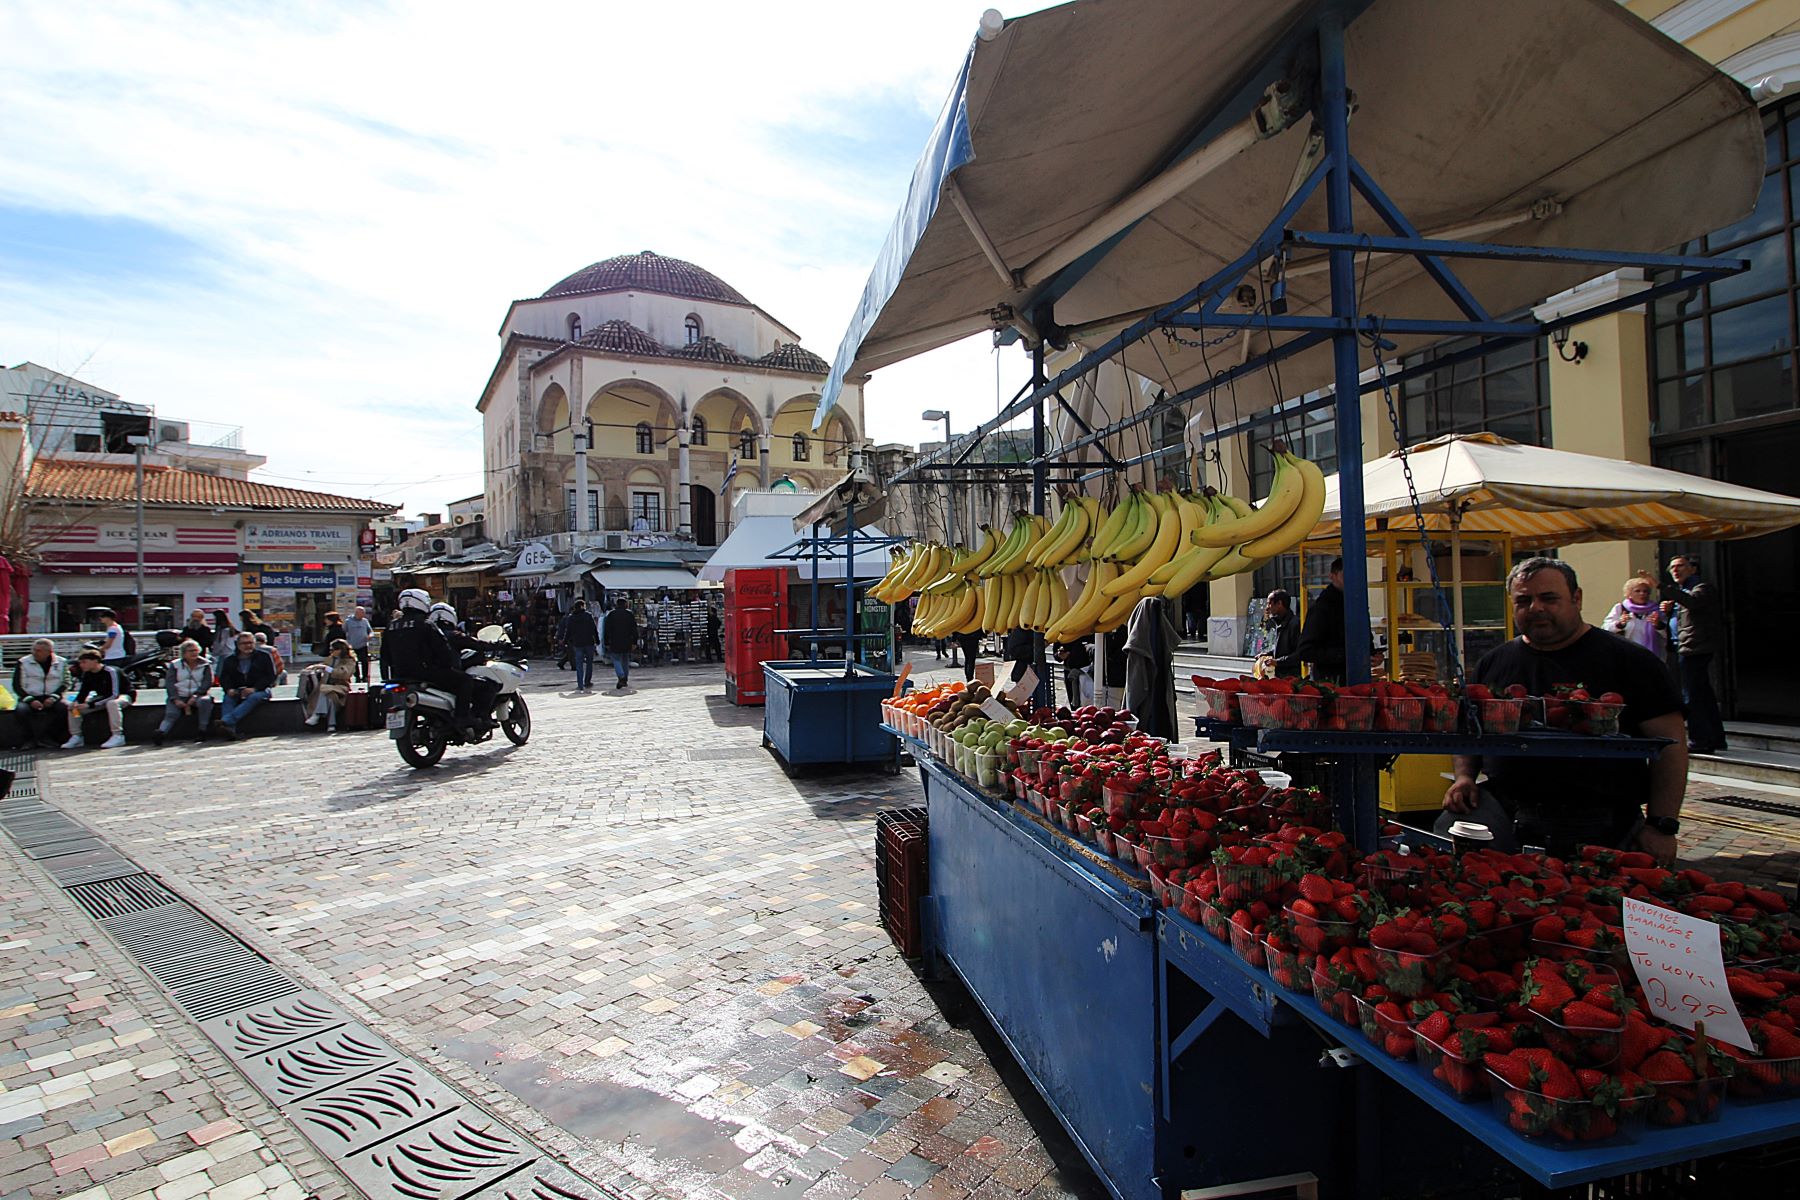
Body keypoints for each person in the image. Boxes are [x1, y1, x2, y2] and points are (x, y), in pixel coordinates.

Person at [1439, 557, 1688, 865]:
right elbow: (1470, 730)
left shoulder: (1631, 661)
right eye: (1524, 600)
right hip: (1507, 816)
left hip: (1602, 824)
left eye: (1549, 598)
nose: (1536, 608)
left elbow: (1673, 747)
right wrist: (1464, 777)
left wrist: (1662, 825)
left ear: (1577, 598)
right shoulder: (1494, 662)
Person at [382, 589, 480, 734]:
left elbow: (385, 656)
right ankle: (462, 718)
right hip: (426, 672)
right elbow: (442, 649)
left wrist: (388, 676)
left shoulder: (391, 626)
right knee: (465, 681)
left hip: (400, 675)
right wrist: (447, 666)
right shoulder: (426, 624)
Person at [1662, 555, 1728, 755]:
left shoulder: (1701, 588)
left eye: (1680, 566)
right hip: (1682, 648)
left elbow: (1693, 603)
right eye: (1672, 567)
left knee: (1693, 696)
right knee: (1704, 694)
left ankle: (1699, 739)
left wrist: (1661, 587)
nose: (1675, 570)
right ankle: (1715, 738)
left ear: (1693, 569)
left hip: (1696, 648)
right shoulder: (1680, 593)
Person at [63, 650, 133, 749]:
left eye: (84, 662)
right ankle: (76, 736)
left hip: (122, 696)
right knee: (73, 708)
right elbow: (83, 692)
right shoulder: (87, 674)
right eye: (80, 663)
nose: (81, 665)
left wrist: (90, 704)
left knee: (112, 703)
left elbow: (114, 694)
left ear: (95, 661)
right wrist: (77, 702)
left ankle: (118, 735)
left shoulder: (111, 671)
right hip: (101, 698)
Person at [1294, 559, 1347, 683]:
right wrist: (1343, 654)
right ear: (1332, 576)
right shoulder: (1323, 607)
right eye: (1345, 575)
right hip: (1330, 679)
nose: (1352, 580)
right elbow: (1305, 651)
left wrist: (1372, 653)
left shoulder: (1356, 603)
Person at [217, 632, 278, 738]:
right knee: (228, 699)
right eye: (244, 643)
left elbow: (270, 677)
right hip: (238, 689)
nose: (248, 646)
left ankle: (226, 721)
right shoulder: (230, 659)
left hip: (260, 690)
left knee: (254, 697)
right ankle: (229, 731)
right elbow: (224, 678)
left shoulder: (264, 656)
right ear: (238, 645)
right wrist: (229, 689)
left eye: (250, 642)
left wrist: (254, 688)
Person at [12, 638, 69, 749]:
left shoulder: (61, 662)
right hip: (30, 696)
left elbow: (66, 682)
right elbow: (17, 685)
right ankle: (28, 740)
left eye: (39, 651)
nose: (34, 653)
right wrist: (30, 699)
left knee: (65, 709)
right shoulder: (23, 662)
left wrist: (53, 697)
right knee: (21, 711)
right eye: (34, 650)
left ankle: (48, 737)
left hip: (52, 696)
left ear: (49, 652)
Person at [155, 639, 214, 744]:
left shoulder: (206, 664)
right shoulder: (174, 665)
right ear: (184, 653)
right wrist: (175, 699)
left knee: (205, 702)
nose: (194, 653)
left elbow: (207, 682)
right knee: (171, 713)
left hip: (199, 694)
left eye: (196, 650)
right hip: (179, 694)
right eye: (191, 651)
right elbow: (170, 683)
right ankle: (161, 733)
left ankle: (202, 731)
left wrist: (196, 695)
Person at [1603, 574, 1667, 658]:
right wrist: (1620, 624)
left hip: (1651, 657)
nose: (1642, 594)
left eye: (1645, 591)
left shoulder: (1655, 610)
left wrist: (1658, 625)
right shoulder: (1621, 608)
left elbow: (1667, 634)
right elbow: (1606, 629)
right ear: (1629, 594)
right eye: (1637, 591)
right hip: (1627, 656)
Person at [302, 639, 356, 731]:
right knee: (330, 696)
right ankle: (331, 724)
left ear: (340, 650)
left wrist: (327, 669)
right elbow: (323, 666)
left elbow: (344, 674)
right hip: (328, 687)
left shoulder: (349, 661)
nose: (330, 652)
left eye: (332, 650)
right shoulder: (330, 659)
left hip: (341, 687)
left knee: (324, 690)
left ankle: (317, 715)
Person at [1261, 589, 1301, 677]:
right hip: (1280, 675)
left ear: (1279, 604)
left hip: (1291, 677)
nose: (1267, 607)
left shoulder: (1294, 624)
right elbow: (1283, 648)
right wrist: (1268, 654)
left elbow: (1299, 654)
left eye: (1269, 603)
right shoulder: (1279, 622)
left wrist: (1277, 662)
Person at [601, 598, 637, 689]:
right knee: (625, 660)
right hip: (627, 641)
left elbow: (607, 629)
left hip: (615, 640)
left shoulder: (611, 615)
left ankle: (621, 676)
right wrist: (634, 642)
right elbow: (634, 629)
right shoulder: (629, 615)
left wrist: (606, 641)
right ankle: (625, 678)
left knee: (616, 659)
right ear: (625, 605)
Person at [344, 605, 374, 682]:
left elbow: (370, 631)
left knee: (364, 661)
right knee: (354, 662)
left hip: (363, 645)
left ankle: (365, 677)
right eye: (361, 613)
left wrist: (370, 636)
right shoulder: (348, 621)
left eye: (364, 613)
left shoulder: (365, 621)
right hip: (352, 645)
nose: (363, 615)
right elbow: (344, 632)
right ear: (356, 613)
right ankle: (357, 676)